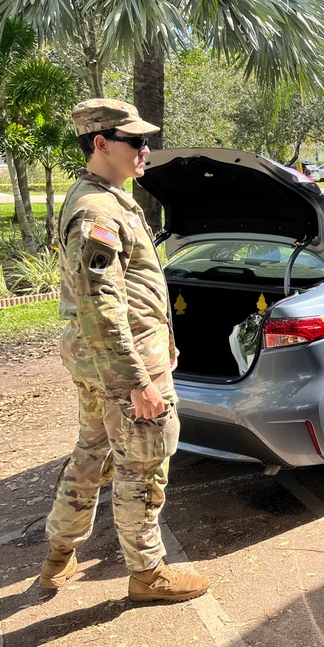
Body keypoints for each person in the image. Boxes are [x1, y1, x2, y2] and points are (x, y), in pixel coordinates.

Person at [40, 99, 209, 603]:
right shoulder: (98, 211)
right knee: (142, 465)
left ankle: (58, 557)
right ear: (101, 143)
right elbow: (101, 305)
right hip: (123, 364)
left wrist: (167, 344)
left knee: (91, 453)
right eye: (135, 141)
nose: (146, 150)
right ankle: (148, 573)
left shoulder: (105, 200)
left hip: (102, 361)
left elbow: (135, 291)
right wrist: (137, 381)